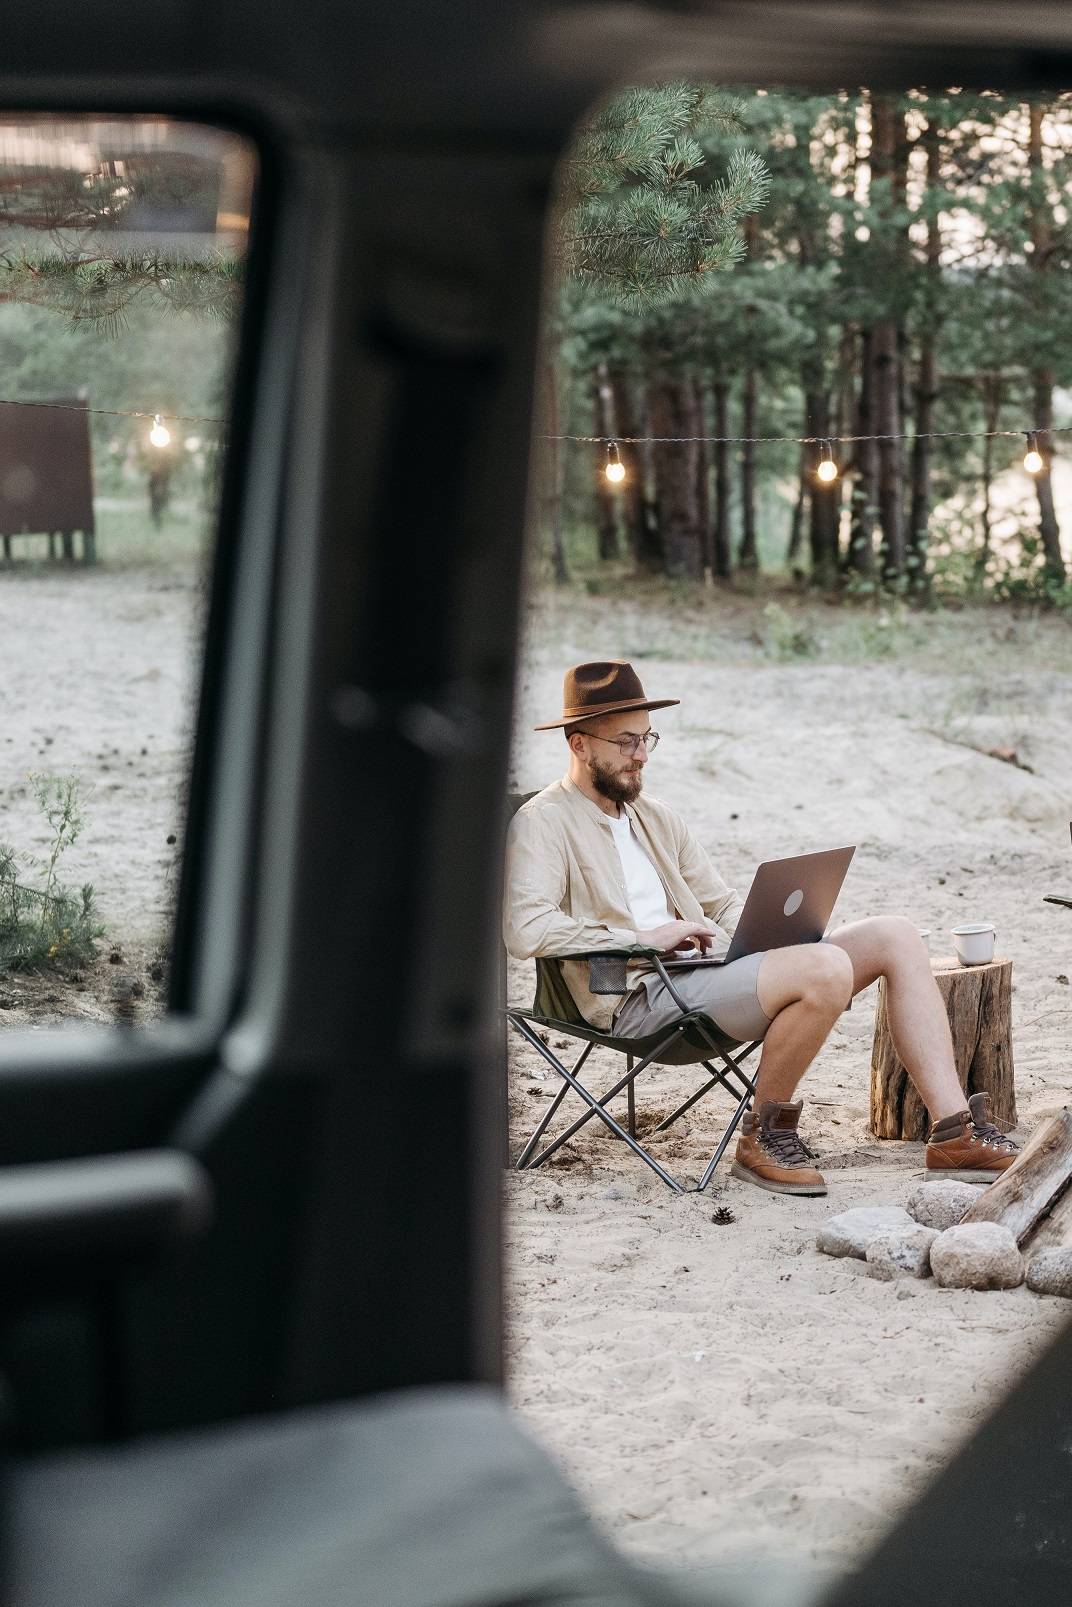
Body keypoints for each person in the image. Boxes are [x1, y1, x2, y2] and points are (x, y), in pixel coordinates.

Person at [504, 660, 1019, 1197]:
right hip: (635, 997)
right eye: (625, 742)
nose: (641, 755)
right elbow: (525, 929)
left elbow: (722, 903)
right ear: (580, 744)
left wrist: (773, 938)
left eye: (647, 738)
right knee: (824, 970)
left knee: (895, 935)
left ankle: (954, 1132)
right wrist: (642, 939)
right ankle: (763, 1137)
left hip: (703, 976)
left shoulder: (655, 816)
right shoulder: (544, 821)